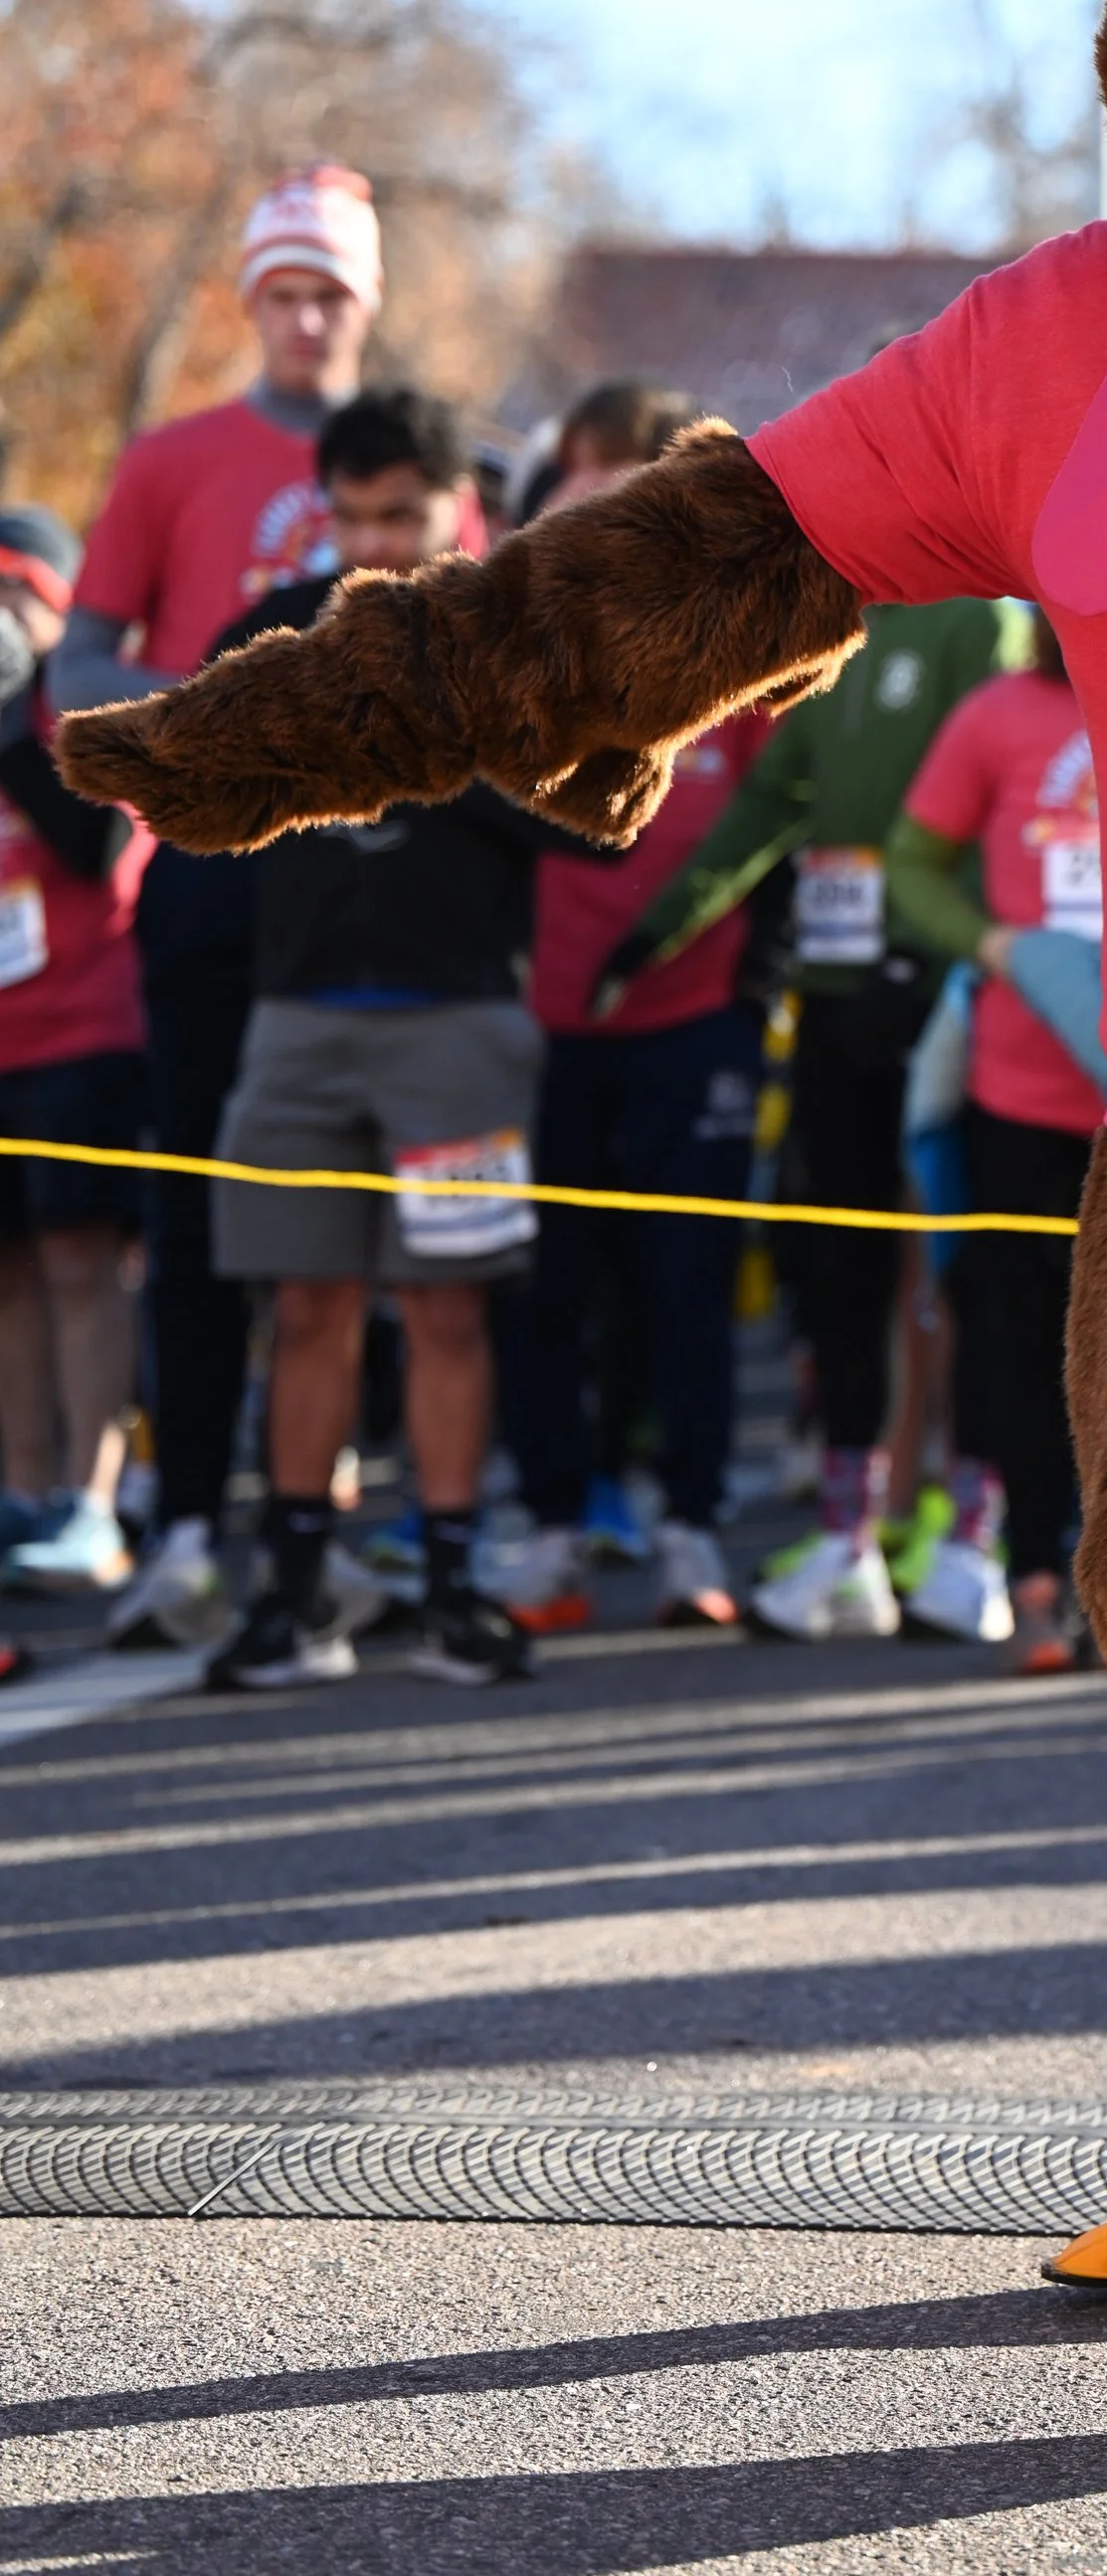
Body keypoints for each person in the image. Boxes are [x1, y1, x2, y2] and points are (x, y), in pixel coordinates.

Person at [56, 167, 385, 1647]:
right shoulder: (171, 460)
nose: (307, 320)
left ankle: (347, 1526)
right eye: (283, 294)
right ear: (252, 305)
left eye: (331, 293)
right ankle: (187, 1522)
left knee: (366, 1234)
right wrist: (196, 732)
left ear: (366, 303)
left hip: (374, 899)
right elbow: (77, 666)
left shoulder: (417, 462)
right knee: (196, 1212)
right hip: (205, 889)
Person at [202, 388, 557, 1693]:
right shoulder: (269, 635)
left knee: (449, 1309)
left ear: (460, 508)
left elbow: (584, 822)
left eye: (399, 516)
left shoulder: (513, 641)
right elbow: (198, 802)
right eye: (349, 517)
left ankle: (452, 1589)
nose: (371, 545)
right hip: (296, 1020)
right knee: (304, 1304)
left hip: (457, 1022)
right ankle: (296, 1593)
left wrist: (430, 724)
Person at [607, 594, 1013, 1636]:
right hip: (835, 998)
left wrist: (937, 953)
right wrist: (662, 927)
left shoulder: (979, 622)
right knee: (842, 1270)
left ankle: (975, 1535)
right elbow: (769, 800)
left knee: (968, 1271)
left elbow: (994, 797)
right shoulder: (827, 622)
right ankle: (848, 1536)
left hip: (947, 999)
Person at [487, 389, 775, 1631]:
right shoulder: (510, 645)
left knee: (686, 1288)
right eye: (580, 492)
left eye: (628, 494)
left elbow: (776, 822)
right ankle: (553, 1526)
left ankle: (689, 1530)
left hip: (693, 1025)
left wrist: (742, 979)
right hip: (535, 1029)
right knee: (543, 1288)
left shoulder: (741, 650)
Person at [874, 619, 1105, 1667]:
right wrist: (991, 944)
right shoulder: (995, 714)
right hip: (1016, 1096)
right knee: (1021, 1341)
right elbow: (912, 866)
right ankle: (1035, 1577)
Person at [0, 505, 149, 1594]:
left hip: (87, 1028)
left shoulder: (86, 705)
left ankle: (92, 1499)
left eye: (17, 595)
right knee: (7, 1278)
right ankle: (21, 1493)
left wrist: (14, 722)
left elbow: (101, 845)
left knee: (78, 1261)